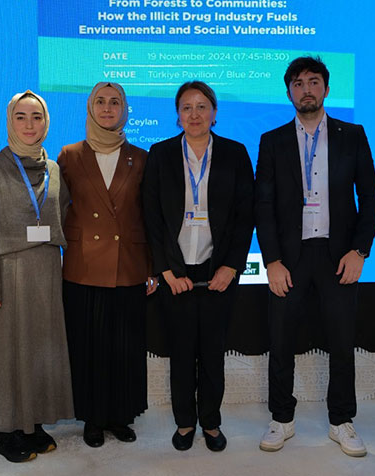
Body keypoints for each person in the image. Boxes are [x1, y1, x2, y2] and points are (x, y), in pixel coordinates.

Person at [254, 56, 375, 457]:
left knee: (342, 342)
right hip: (289, 258)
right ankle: (282, 419)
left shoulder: (352, 135)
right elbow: (263, 205)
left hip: (337, 255)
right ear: (289, 92)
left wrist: (359, 251)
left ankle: (341, 421)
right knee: (281, 341)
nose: (306, 89)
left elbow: (371, 197)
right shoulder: (272, 141)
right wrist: (271, 260)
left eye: (313, 81)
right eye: (298, 83)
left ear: (326, 88)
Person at [142, 81, 254, 453]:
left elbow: (245, 217)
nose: (195, 114)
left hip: (217, 271)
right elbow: (151, 217)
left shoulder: (235, 153)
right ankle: (185, 422)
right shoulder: (160, 154)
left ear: (214, 113)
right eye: (187, 107)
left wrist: (231, 268)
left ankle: (210, 421)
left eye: (202, 106)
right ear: (178, 115)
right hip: (175, 273)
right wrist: (166, 271)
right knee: (181, 353)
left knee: (212, 354)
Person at [0, 90, 74, 463]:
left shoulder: (54, 169)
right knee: (7, 354)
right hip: (7, 275)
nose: (30, 125)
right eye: (21, 117)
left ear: (46, 123)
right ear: (10, 121)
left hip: (46, 273)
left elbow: (63, 216)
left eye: (37, 117)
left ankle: (32, 423)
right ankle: (5, 431)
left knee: (41, 350)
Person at [57, 81, 157, 448]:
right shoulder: (69, 155)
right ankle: (93, 418)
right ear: (90, 108)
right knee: (89, 347)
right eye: (100, 101)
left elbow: (148, 215)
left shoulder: (141, 157)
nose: (107, 108)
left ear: (124, 110)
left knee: (124, 347)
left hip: (128, 264)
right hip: (84, 266)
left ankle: (120, 415)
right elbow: (58, 209)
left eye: (115, 102)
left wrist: (152, 266)